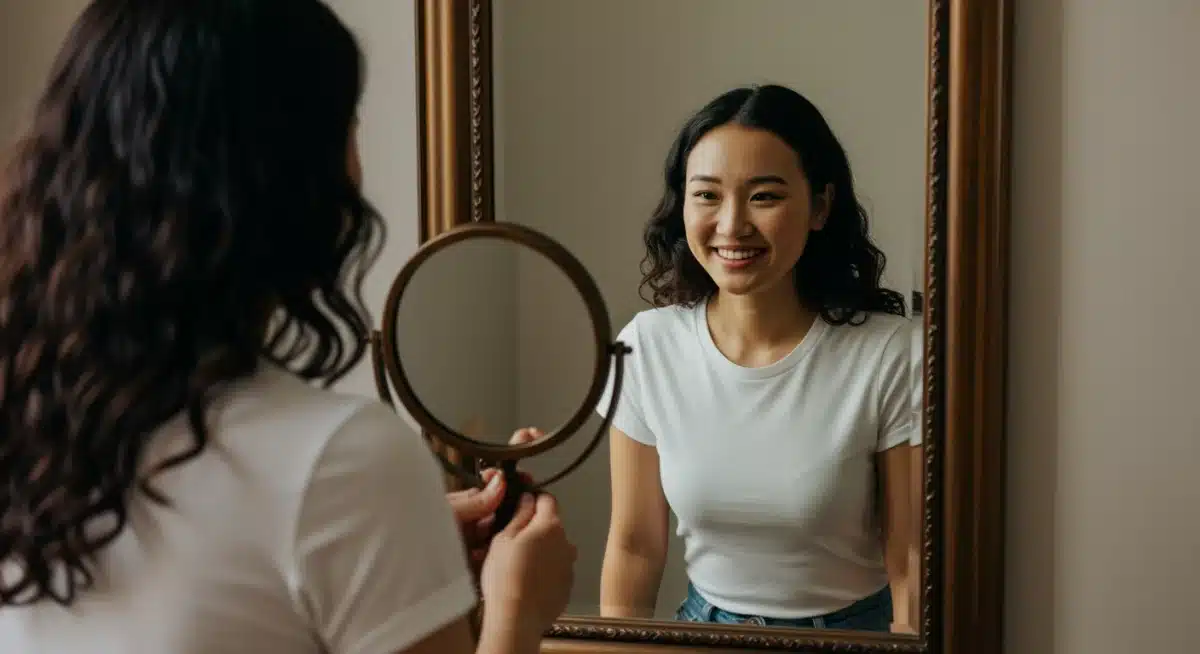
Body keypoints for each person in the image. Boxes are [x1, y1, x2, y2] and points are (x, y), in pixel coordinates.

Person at [0, 1, 574, 653]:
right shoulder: (343, 461)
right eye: (348, 128)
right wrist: (517, 611)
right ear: (293, 174)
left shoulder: (29, 428)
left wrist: (395, 553)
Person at [597, 84, 919, 633]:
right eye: (707, 195)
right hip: (703, 632)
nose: (731, 225)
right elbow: (634, 546)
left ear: (819, 206)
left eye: (764, 196)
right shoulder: (647, 346)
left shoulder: (892, 354)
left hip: (852, 638)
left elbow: (911, 562)